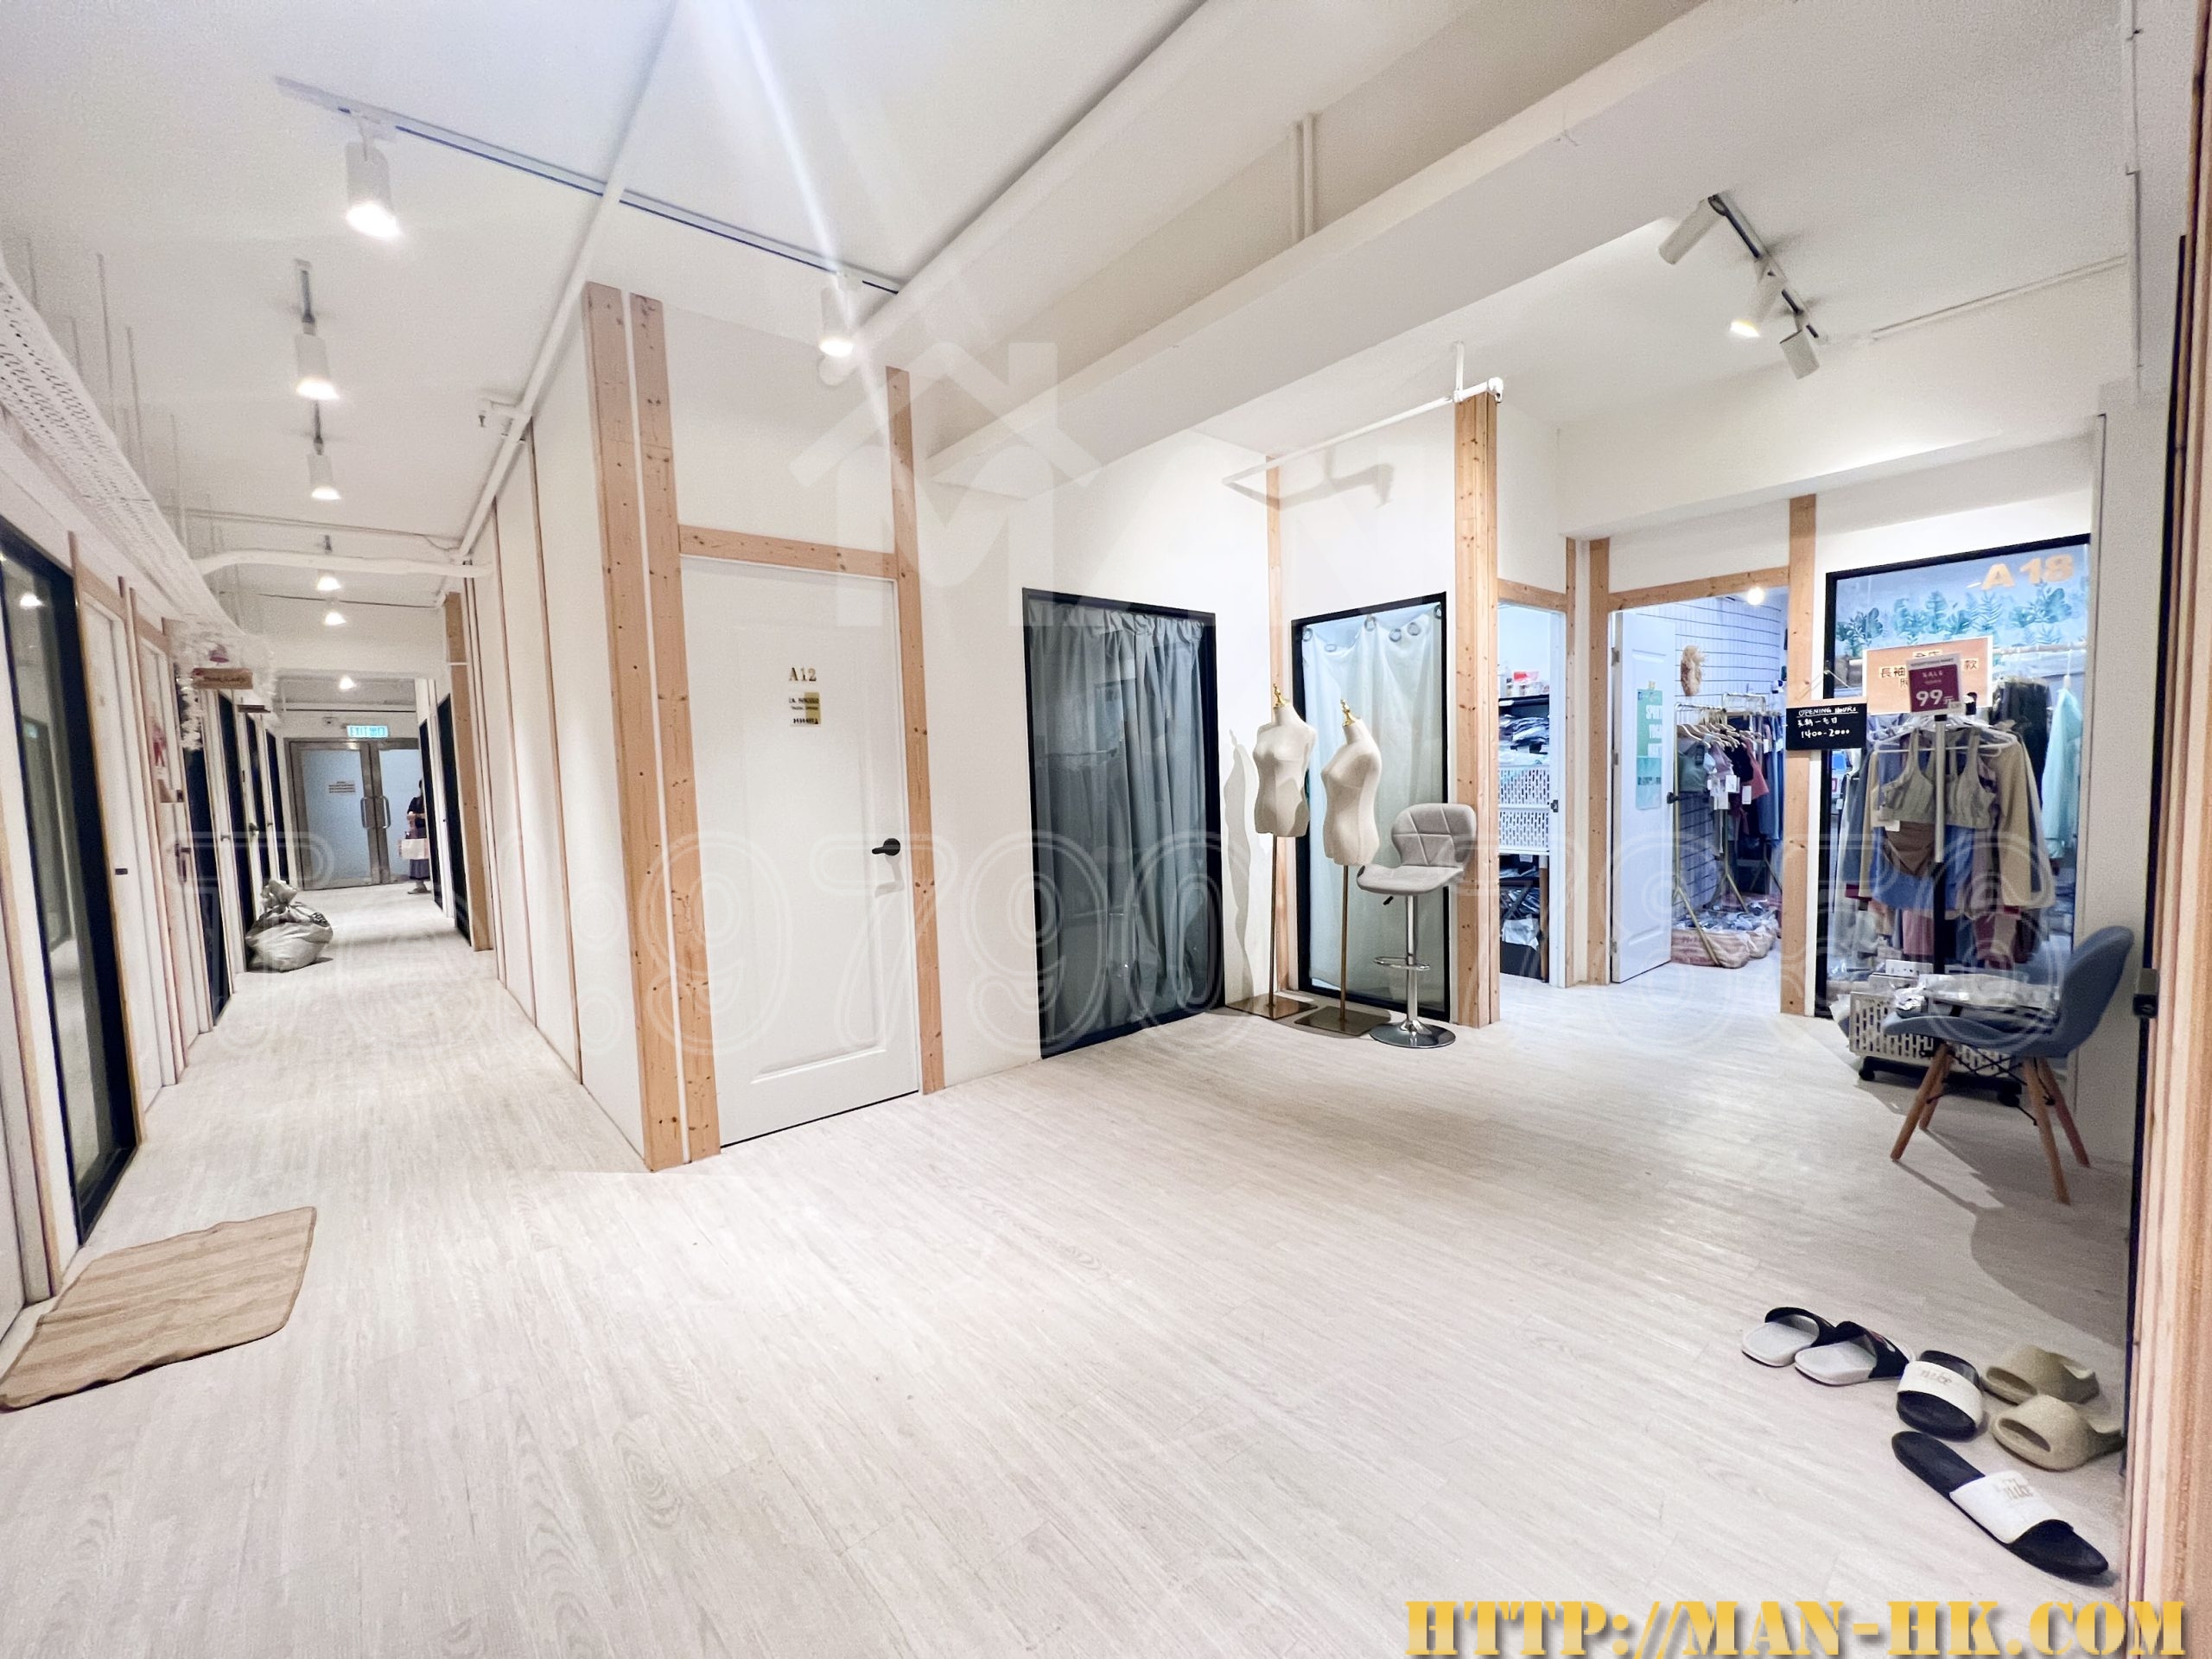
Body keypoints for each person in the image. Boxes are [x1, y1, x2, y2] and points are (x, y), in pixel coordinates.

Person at [405, 793, 431, 893]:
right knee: (417, 857)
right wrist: (418, 816)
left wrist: (417, 816)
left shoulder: (433, 799)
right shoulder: (416, 801)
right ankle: (420, 885)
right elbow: (409, 815)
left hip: (431, 831)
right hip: (418, 832)